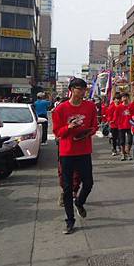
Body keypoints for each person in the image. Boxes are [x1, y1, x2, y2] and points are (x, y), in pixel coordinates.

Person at [52, 78, 98, 234]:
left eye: (85, 89)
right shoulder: (61, 109)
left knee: (89, 183)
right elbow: (57, 132)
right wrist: (69, 127)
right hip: (67, 152)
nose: (83, 92)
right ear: (71, 89)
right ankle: (70, 220)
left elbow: (94, 126)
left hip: (84, 151)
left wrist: (88, 132)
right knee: (67, 187)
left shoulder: (90, 107)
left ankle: (79, 202)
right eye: (80, 89)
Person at [115, 93, 134, 161]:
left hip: (129, 126)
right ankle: (123, 153)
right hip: (121, 126)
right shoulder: (119, 107)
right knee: (122, 141)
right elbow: (116, 116)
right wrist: (116, 124)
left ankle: (128, 152)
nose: (125, 98)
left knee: (130, 140)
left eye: (126, 97)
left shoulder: (131, 106)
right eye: (123, 97)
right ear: (121, 99)